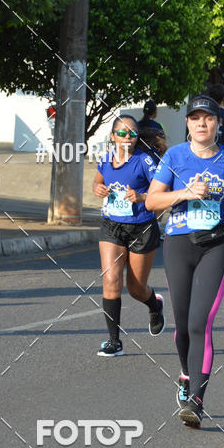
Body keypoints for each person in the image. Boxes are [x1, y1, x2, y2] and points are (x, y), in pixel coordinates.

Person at [146, 94, 224, 428]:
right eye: (195, 118)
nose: (201, 123)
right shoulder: (175, 156)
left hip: (216, 244)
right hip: (178, 243)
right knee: (181, 326)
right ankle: (184, 373)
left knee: (199, 323)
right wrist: (185, 193)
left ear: (218, 123)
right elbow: (152, 200)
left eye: (208, 118)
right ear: (188, 124)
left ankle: (196, 400)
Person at [93, 115, 165, 356]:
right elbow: (98, 179)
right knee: (111, 279)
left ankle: (154, 305)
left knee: (136, 288)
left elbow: (162, 193)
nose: (127, 137)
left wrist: (143, 197)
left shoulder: (145, 161)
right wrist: (97, 188)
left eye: (132, 133)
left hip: (142, 227)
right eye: (121, 133)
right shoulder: (105, 159)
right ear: (112, 136)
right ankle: (114, 341)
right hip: (112, 225)